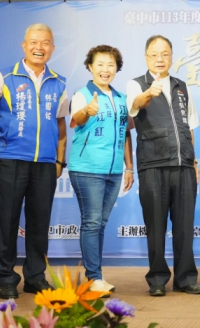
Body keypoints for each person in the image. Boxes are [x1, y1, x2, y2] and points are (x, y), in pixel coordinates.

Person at [0, 23, 68, 299]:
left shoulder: (59, 83)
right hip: (12, 159)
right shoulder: (5, 77)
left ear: (52, 48)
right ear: (24, 46)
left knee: (39, 223)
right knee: (8, 221)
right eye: (34, 42)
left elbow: (61, 125)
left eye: (45, 43)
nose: (39, 47)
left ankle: (35, 277)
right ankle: (6, 278)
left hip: (45, 163)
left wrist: (60, 161)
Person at [126, 35, 200, 297]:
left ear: (172, 56)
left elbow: (189, 127)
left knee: (184, 225)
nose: (159, 59)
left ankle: (186, 278)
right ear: (146, 57)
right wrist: (148, 94)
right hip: (153, 164)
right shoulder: (136, 84)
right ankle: (158, 279)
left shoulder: (182, 87)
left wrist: (194, 161)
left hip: (183, 165)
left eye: (165, 54)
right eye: (154, 54)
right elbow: (134, 108)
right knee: (156, 225)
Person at [68, 45, 134, 294]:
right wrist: (87, 110)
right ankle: (93, 278)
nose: (105, 70)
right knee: (92, 222)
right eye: (100, 64)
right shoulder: (82, 94)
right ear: (90, 66)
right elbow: (77, 118)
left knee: (100, 223)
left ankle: (96, 276)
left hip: (114, 170)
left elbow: (126, 133)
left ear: (117, 68)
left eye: (111, 65)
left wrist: (129, 167)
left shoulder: (121, 98)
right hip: (87, 169)